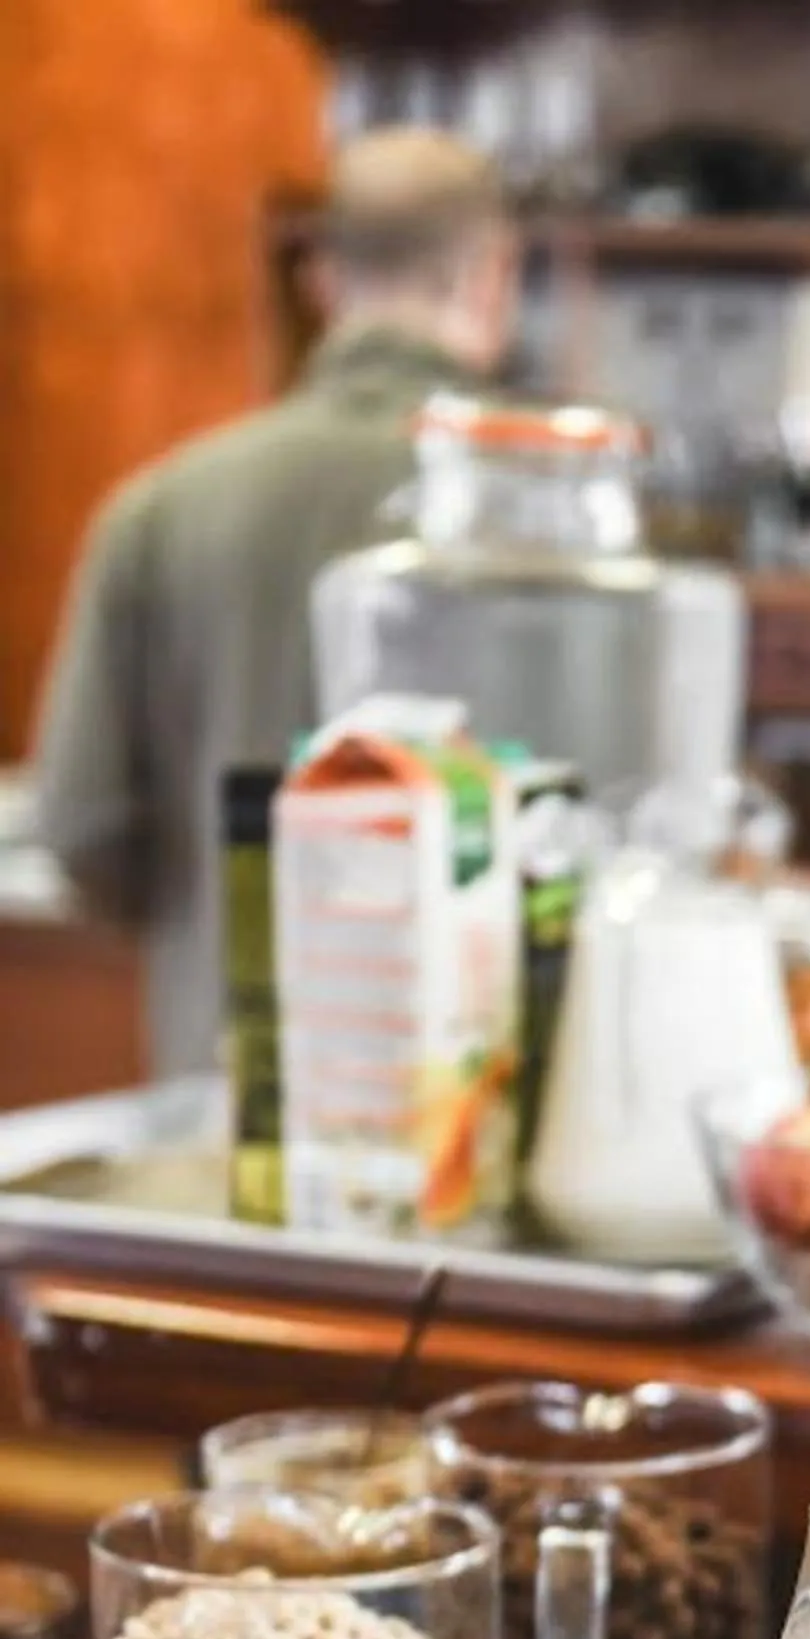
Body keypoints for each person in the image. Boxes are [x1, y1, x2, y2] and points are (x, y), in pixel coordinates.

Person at [33, 130, 521, 1079]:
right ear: (492, 273)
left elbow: (83, 827)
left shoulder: (159, 506)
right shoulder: (555, 515)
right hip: (480, 1100)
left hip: (228, 1079)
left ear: (322, 280)